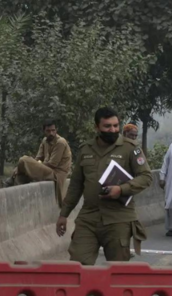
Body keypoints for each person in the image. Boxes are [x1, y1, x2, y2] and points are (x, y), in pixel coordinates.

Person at [57, 107, 152, 274]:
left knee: (116, 272)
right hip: (89, 218)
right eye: (107, 126)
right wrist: (64, 214)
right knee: (78, 266)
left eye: (116, 125)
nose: (113, 130)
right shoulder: (86, 149)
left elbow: (146, 176)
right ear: (96, 127)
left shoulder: (130, 149)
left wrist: (121, 189)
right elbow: (76, 185)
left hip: (118, 218)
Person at [11, 121, 73, 203]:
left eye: (53, 130)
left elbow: (52, 164)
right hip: (47, 169)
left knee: (23, 160)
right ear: (44, 131)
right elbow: (37, 158)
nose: (51, 133)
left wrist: (33, 165)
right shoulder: (44, 141)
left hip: (56, 173)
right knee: (21, 175)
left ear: (56, 130)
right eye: (48, 131)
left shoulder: (60, 142)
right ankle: (17, 198)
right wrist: (32, 165)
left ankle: (13, 175)